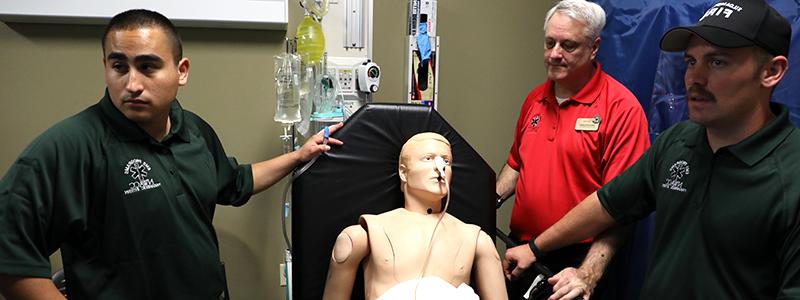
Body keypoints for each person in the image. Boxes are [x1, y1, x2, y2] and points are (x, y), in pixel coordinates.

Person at [0, 9, 343, 299]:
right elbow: (9, 256)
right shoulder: (71, 146)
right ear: (105, 66)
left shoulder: (192, 130)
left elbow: (236, 182)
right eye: (119, 67)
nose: (132, 83)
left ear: (181, 72)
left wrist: (300, 155)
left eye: (148, 67)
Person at [526, 0, 799, 299]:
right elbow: (609, 204)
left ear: (771, 71)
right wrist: (535, 247)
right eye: (691, 62)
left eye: (717, 62)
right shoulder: (677, 141)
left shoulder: (791, 175)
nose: (695, 78)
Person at [496, 0, 650, 298]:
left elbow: (623, 208)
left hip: (575, 261)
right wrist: (485, 200)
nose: (555, 54)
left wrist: (588, 273)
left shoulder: (621, 109)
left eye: (568, 45)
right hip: (520, 251)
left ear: (594, 47)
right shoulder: (535, 100)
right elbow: (516, 164)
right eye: (550, 42)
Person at [322, 132, 507, 300]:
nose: (439, 167)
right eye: (428, 158)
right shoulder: (366, 235)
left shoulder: (476, 240)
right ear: (403, 172)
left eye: (446, 161)